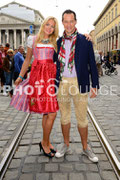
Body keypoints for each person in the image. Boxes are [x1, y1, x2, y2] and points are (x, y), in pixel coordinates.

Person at [10, 16, 59, 158]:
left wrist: (86, 36)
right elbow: (27, 60)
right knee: (50, 112)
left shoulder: (55, 41)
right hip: (38, 78)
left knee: (49, 112)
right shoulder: (33, 39)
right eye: (48, 24)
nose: (49, 28)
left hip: (50, 78)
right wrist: (20, 76)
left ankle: (46, 141)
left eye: (52, 26)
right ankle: (45, 143)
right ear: (44, 24)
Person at [55, 10, 99, 163]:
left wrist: (95, 85)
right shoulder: (58, 41)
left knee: (82, 118)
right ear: (62, 23)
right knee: (64, 116)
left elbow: (92, 64)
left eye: (71, 21)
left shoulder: (85, 40)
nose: (68, 24)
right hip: (62, 82)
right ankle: (65, 145)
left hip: (79, 82)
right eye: (65, 21)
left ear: (76, 21)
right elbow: (54, 62)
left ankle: (86, 147)